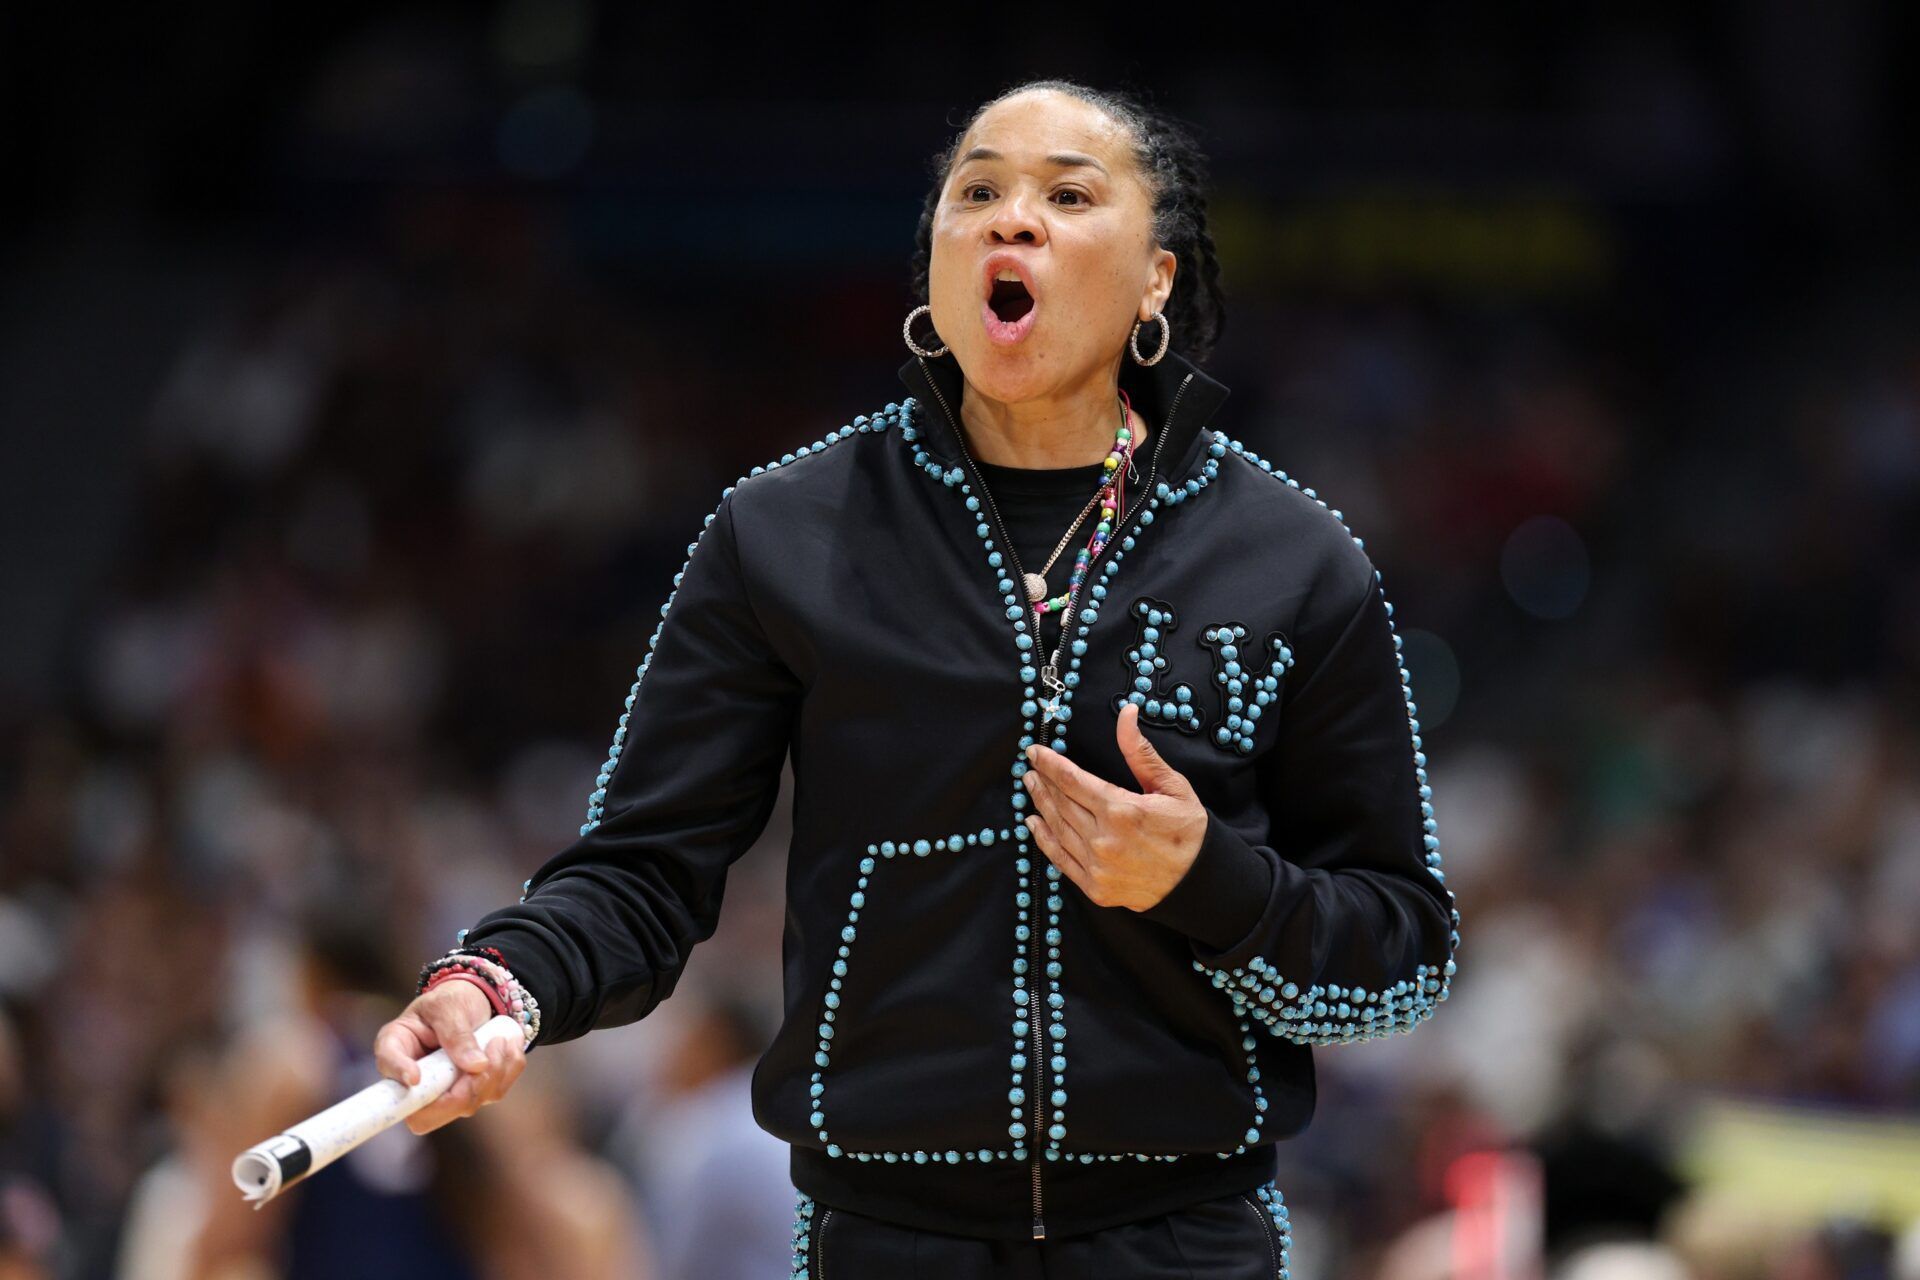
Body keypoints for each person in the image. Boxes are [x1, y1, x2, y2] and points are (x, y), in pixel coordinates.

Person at [375, 77, 1462, 1278]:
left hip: (1187, 1242)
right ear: (935, 265)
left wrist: (1212, 883)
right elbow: (642, 869)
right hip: (889, 1242)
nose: (1012, 219)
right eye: (977, 192)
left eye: (1067, 194)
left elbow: (1402, 959)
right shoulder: (781, 532)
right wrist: (500, 982)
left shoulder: (1296, 557)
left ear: (1157, 276)